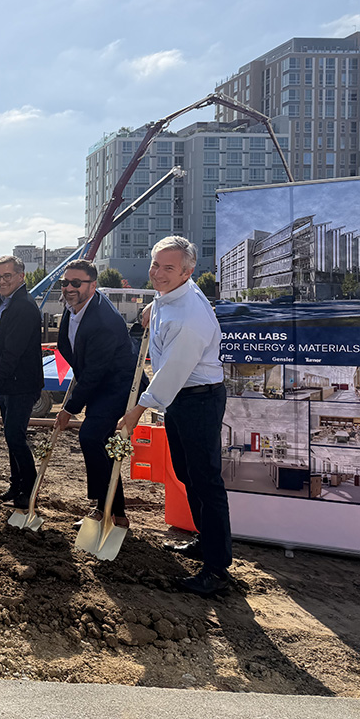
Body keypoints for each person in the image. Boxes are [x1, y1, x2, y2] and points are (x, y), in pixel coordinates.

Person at [118, 236, 230, 596]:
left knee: (205, 481)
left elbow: (171, 375)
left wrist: (137, 410)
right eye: (155, 265)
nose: (158, 274)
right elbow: (163, 299)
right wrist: (154, 308)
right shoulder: (170, 297)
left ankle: (217, 568)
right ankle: (204, 540)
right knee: (187, 474)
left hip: (197, 399)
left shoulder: (190, 316)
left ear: (187, 271)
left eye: (169, 268)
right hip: (183, 400)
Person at [54, 259, 138, 529]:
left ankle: (105, 508)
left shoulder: (104, 320)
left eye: (76, 283)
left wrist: (69, 408)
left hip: (117, 386)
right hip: (98, 383)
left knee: (90, 437)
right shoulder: (73, 308)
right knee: (100, 444)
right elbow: (74, 353)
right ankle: (115, 512)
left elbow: (95, 371)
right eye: (65, 282)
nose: (69, 288)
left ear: (93, 285)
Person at [0, 255, 44, 509]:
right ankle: (15, 486)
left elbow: (12, 352)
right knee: (11, 437)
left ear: (21, 277)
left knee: (15, 437)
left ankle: (28, 491)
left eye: (7, 276)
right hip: (9, 383)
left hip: (22, 384)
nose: (1, 281)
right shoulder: (5, 301)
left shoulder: (24, 307)